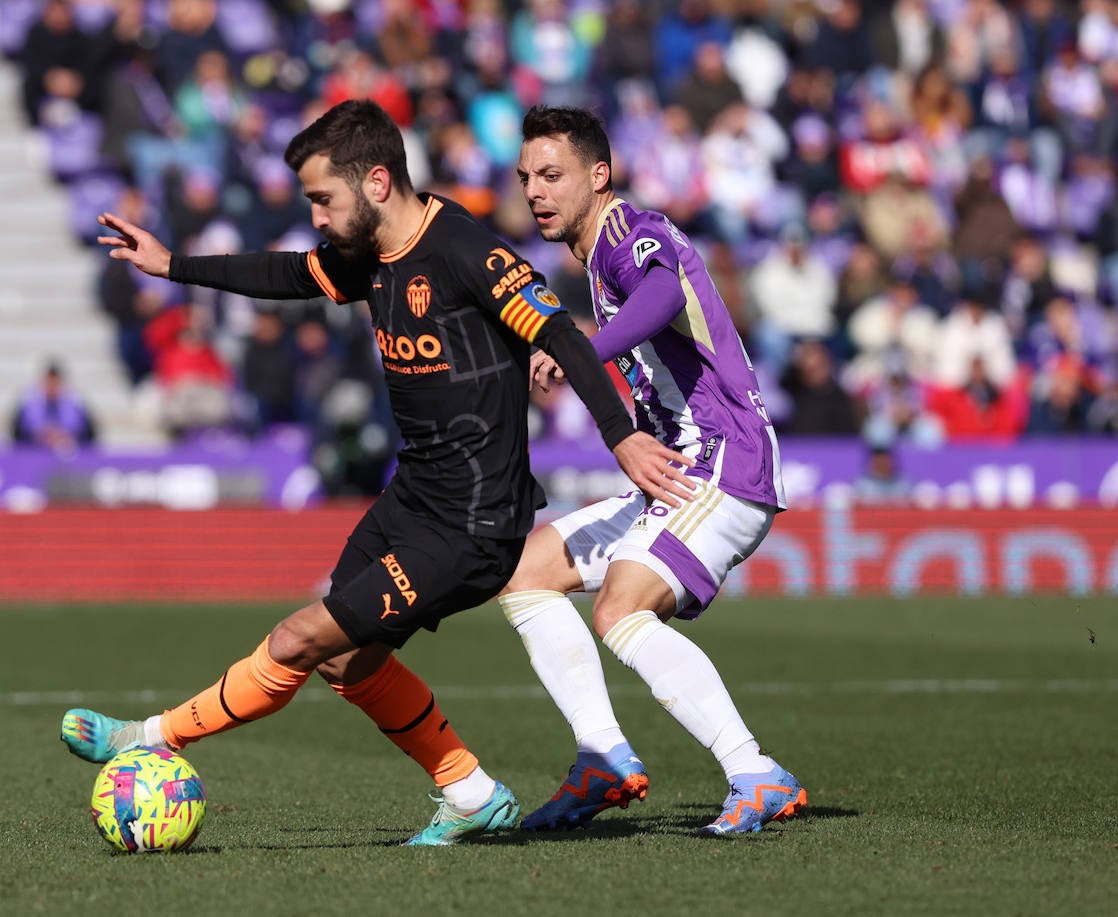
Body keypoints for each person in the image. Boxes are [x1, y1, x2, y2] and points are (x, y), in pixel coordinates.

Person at [59, 100, 688, 846]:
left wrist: (620, 437)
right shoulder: (372, 257)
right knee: (346, 662)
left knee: (300, 636)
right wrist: (173, 265)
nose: (318, 216)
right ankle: (470, 791)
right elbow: (290, 274)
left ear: (378, 181)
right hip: (413, 498)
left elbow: (558, 331)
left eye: (324, 198)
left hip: (473, 521)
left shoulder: (464, 252)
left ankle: (152, 735)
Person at [497, 105, 805, 836]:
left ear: (598, 176)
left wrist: (583, 347)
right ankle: (602, 756)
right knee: (525, 572)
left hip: (726, 459)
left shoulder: (630, 232)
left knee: (619, 610)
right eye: (525, 178)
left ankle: (752, 769)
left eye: (551, 175)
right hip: (674, 466)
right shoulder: (593, 259)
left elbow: (663, 293)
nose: (535, 191)